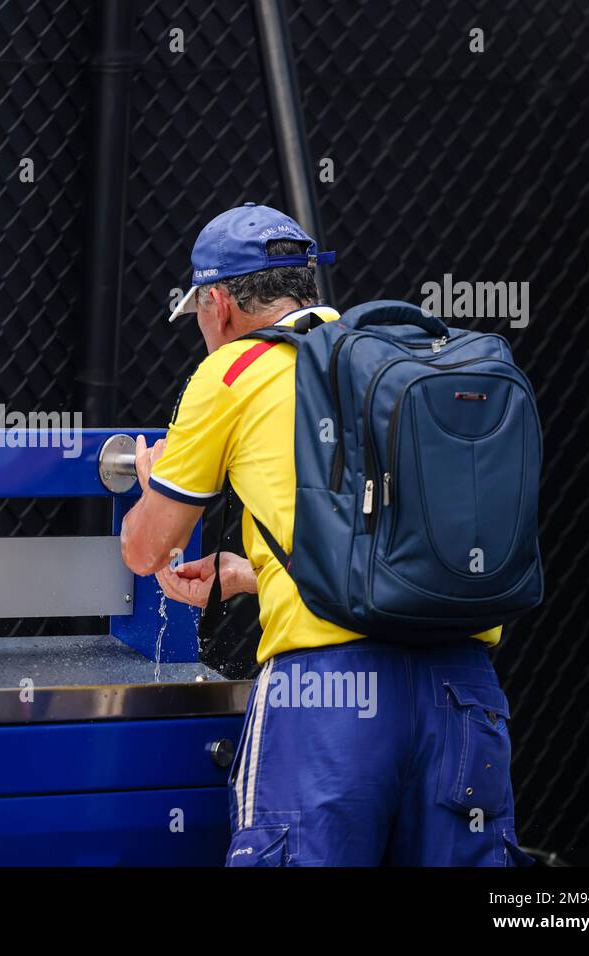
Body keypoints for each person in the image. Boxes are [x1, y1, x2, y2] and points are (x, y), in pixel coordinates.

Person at [119, 203, 529, 866]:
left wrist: (149, 489)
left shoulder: (232, 374)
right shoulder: (402, 359)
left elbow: (145, 550)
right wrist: (253, 574)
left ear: (219, 304)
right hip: (463, 693)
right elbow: (392, 541)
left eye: (198, 311)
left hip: (328, 696)